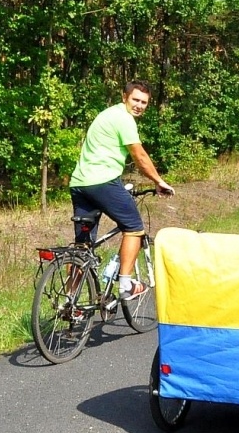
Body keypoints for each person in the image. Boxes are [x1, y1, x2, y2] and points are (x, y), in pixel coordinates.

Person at [69, 81, 174, 299]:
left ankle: (70, 301)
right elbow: (139, 156)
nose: (139, 105)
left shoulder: (107, 114)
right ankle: (126, 284)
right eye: (135, 99)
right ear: (124, 96)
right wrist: (158, 181)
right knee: (134, 227)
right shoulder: (124, 119)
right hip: (103, 182)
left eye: (144, 102)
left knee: (82, 246)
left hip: (79, 183)